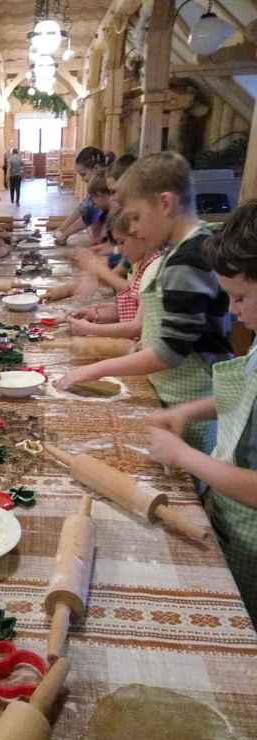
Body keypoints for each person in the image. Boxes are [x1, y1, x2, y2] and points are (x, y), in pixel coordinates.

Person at [56, 152, 232, 455]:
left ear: (165, 203)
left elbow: (169, 352)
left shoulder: (188, 260)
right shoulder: (180, 250)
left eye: (136, 216)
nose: (134, 228)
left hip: (189, 399)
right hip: (172, 391)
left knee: (186, 472)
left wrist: (92, 371)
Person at [146, 200, 257, 626]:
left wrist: (183, 456)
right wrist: (188, 412)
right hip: (230, 517)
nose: (232, 311)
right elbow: (245, 396)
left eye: (240, 297)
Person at [67, 210, 160, 339]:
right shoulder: (138, 265)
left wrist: (89, 329)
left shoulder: (155, 268)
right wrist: (95, 314)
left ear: (141, 235)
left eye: (122, 242)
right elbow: (133, 307)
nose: (120, 250)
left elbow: (138, 327)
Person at [55, 147, 115, 245]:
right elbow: (83, 207)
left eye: (83, 174)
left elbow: (90, 214)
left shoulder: (104, 184)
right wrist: (62, 228)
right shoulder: (98, 183)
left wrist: (65, 234)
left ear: (96, 168)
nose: (83, 179)